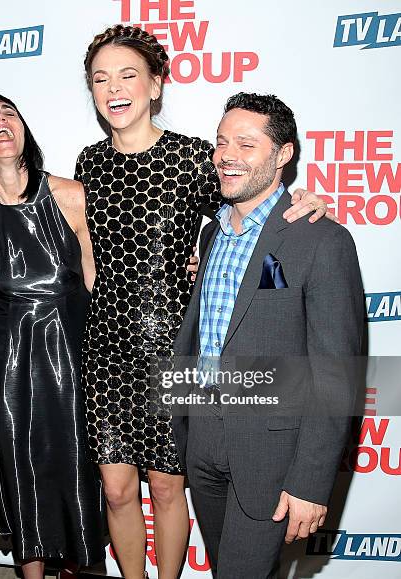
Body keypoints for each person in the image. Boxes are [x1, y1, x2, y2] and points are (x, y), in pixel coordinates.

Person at [75, 24, 334, 579]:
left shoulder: (195, 158)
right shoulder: (88, 164)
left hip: (175, 343)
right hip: (105, 348)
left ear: (156, 86)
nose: (114, 88)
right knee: (117, 491)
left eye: (128, 75)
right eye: (101, 78)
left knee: (169, 488)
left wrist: (306, 197)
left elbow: (253, 203)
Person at [172, 92, 364, 578]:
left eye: (246, 143)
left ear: (283, 155)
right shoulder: (211, 233)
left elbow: (335, 374)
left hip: (274, 449)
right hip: (205, 437)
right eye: (220, 143)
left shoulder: (320, 239)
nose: (227, 155)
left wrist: (311, 482)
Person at [0, 94, 105, 579]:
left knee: (76, 471)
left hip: (70, 356)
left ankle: (76, 567)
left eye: (9, 114)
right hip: (7, 365)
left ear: (24, 132)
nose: (0, 122)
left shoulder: (69, 195)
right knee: (21, 475)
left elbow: (97, 282)